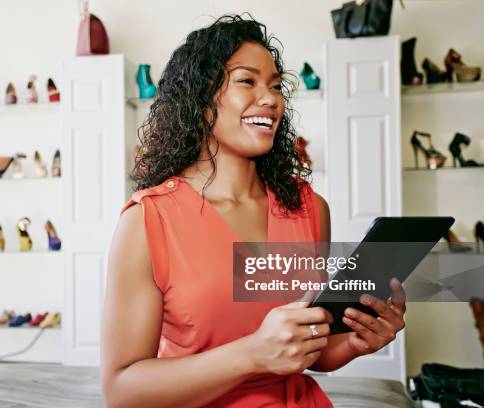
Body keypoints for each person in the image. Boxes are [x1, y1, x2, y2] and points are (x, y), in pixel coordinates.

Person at [101, 14, 406, 408]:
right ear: (200, 98)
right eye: (248, 81)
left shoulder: (310, 209)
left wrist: (354, 340)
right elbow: (121, 391)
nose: (271, 98)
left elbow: (315, 349)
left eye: (276, 85)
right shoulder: (147, 221)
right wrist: (250, 354)